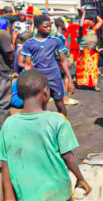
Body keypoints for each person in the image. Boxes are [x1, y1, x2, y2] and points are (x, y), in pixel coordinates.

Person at [0, 70, 91, 201]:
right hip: (59, 194)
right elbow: (68, 157)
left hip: (27, 196)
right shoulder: (58, 120)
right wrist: (80, 178)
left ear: (19, 95)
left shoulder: (8, 124)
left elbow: (5, 165)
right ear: (46, 92)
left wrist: (9, 198)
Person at [21, 15, 75, 116]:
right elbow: (28, 64)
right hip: (39, 79)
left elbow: (63, 61)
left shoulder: (56, 41)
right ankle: (43, 127)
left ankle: (64, 125)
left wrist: (70, 80)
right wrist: (28, 82)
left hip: (55, 77)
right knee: (41, 106)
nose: (49, 28)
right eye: (45, 27)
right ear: (36, 26)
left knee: (60, 103)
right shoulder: (29, 43)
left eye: (50, 26)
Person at [76, 9, 103, 92]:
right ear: (87, 23)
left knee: (93, 69)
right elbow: (81, 25)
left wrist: (94, 13)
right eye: (91, 21)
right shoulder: (82, 31)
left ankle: (93, 85)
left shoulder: (93, 29)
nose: (93, 22)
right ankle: (81, 84)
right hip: (83, 51)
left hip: (93, 51)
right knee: (82, 68)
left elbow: (101, 21)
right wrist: (84, 14)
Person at [0, 30, 14, 125]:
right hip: (2, 73)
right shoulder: (2, 34)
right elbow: (9, 55)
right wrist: (12, 66)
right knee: (3, 104)